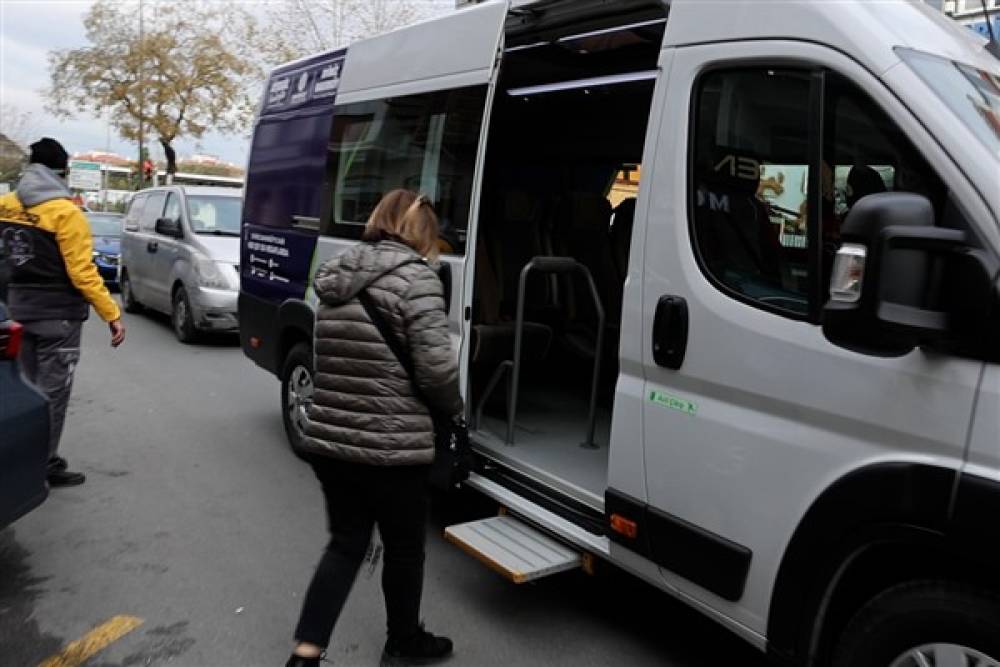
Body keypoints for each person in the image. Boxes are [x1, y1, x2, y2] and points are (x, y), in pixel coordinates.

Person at [287, 189, 463, 667]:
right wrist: (455, 410)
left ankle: (305, 654)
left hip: (331, 440)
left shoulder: (337, 276)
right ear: (420, 231)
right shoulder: (418, 280)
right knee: (405, 548)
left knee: (345, 544)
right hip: (393, 446)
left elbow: (329, 360)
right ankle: (403, 641)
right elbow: (437, 372)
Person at [0, 138, 125, 487]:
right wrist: (111, 312)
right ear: (61, 171)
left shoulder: (6, 205)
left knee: (22, 391)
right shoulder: (66, 212)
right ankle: (42, 465)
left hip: (17, 311)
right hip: (59, 317)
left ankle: (17, 458)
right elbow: (82, 272)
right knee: (52, 394)